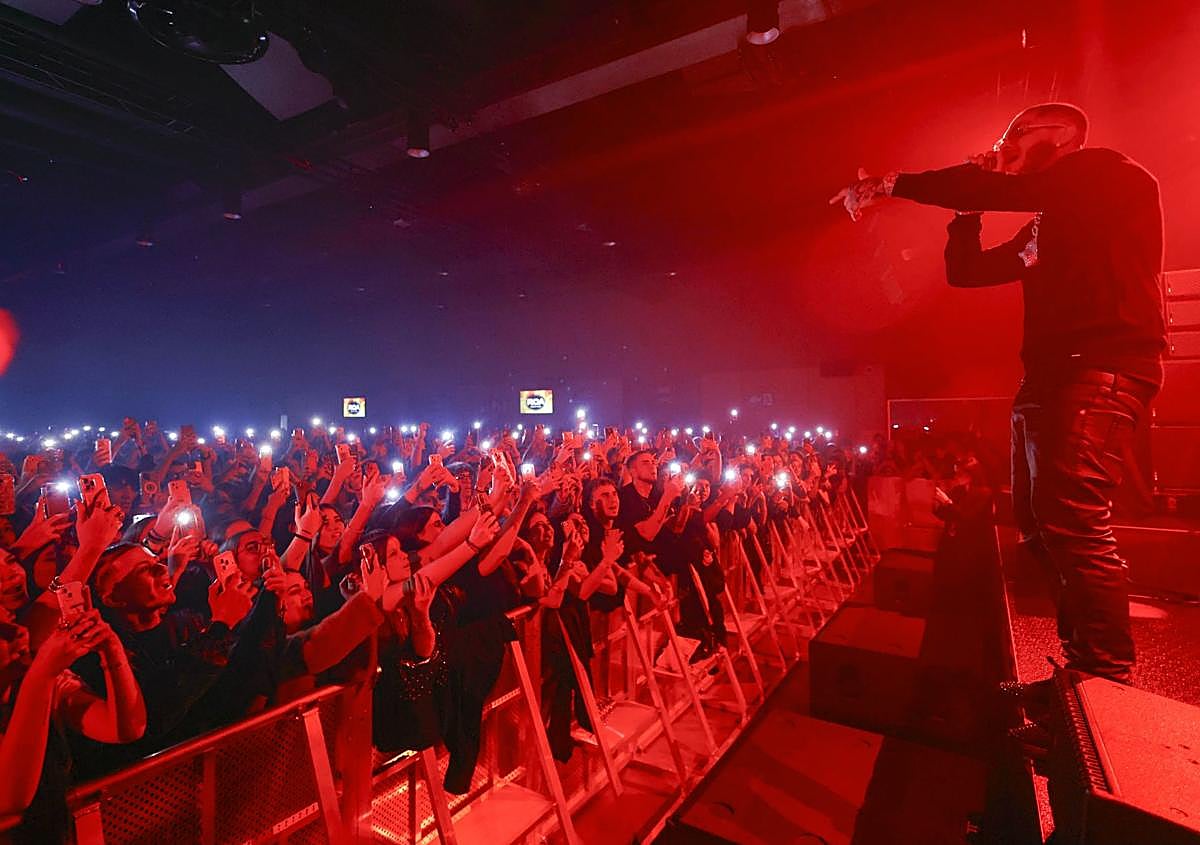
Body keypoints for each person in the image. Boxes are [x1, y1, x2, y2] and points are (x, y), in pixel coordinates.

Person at [832, 102, 1165, 684]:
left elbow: (1003, 187)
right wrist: (967, 211)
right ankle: (1082, 656)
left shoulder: (1108, 173)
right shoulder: (1045, 223)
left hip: (1101, 364)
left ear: (1062, 134)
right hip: (1050, 375)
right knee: (1037, 523)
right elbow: (968, 272)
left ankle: (1106, 669)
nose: (1005, 148)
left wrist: (893, 184)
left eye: (1017, 135)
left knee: (1073, 516)